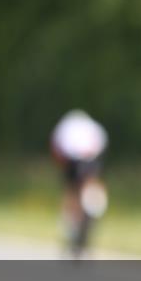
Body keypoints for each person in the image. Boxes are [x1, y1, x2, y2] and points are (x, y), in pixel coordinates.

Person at [50, 109, 109, 258]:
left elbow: (56, 148)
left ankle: (75, 220)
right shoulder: (91, 128)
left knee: (73, 192)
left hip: (75, 158)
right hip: (87, 157)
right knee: (86, 187)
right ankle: (88, 210)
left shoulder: (65, 127)